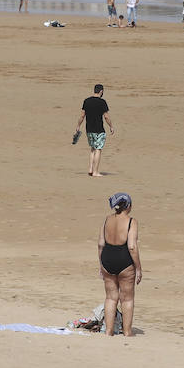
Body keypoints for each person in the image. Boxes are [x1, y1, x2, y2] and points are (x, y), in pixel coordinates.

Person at [97, 192, 141, 336]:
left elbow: (101, 244)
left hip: (107, 258)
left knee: (110, 297)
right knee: (127, 299)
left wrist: (101, 264)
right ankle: (127, 332)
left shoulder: (107, 220)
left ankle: (109, 331)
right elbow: (132, 247)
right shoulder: (131, 222)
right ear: (128, 206)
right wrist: (138, 268)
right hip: (124, 260)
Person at [76, 84, 115, 177]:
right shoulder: (102, 102)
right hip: (99, 129)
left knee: (93, 148)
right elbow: (106, 117)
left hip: (89, 129)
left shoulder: (87, 101)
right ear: (101, 91)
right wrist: (111, 126)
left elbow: (82, 115)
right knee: (98, 149)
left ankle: (90, 169)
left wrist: (78, 126)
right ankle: (95, 171)